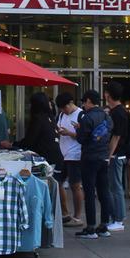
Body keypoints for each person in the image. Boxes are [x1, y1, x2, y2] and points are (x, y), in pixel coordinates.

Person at [73, 90, 113, 240]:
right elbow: (109, 131)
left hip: (89, 157)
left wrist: (78, 130)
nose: (83, 105)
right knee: (104, 191)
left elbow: (81, 139)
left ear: (89, 101)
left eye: (84, 102)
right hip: (103, 156)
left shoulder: (87, 117)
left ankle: (91, 227)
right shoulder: (106, 116)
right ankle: (103, 225)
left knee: (89, 193)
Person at [103, 81, 130, 232]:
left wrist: (109, 155)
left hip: (116, 155)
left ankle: (119, 219)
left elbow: (116, 136)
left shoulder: (118, 113)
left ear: (108, 95)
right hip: (116, 154)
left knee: (115, 187)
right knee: (113, 186)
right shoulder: (116, 111)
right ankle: (116, 217)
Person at [54, 93, 84, 228]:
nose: (63, 111)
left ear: (70, 104)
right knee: (58, 183)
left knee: (75, 185)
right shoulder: (61, 115)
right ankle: (65, 213)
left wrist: (70, 133)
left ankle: (78, 216)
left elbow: (84, 136)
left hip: (76, 154)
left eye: (64, 108)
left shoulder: (81, 115)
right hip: (62, 153)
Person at [15, 92, 62, 168]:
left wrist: (13, 145)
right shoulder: (49, 117)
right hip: (56, 158)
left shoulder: (38, 119)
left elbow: (29, 141)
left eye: (31, 103)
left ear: (35, 105)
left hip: (45, 160)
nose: (29, 106)